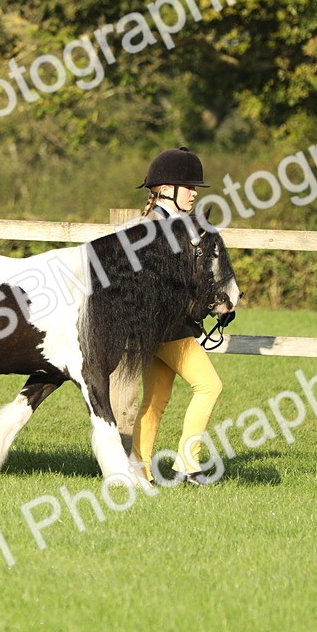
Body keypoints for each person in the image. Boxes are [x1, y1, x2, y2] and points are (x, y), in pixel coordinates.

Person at [129, 146, 224, 486]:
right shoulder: (154, 227)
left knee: (155, 401)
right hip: (167, 329)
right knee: (210, 385)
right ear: (167, 189)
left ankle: (138, 470)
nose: (195, 193)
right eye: (189, 187)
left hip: (158, 328)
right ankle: (188, 465)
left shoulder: (173, 224)